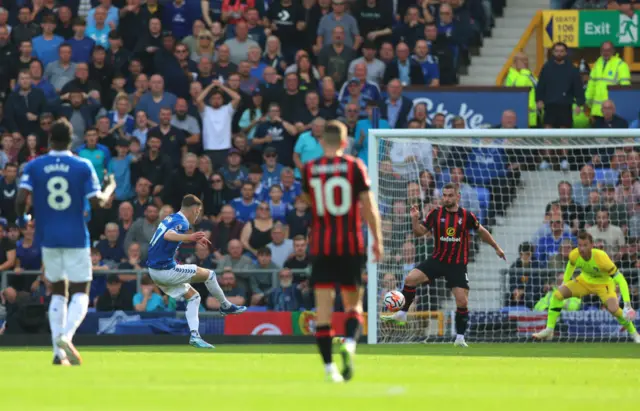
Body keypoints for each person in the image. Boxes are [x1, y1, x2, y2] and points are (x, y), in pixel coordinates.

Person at [15, 118, 114, 366]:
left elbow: (20, 198)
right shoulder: (82, 165)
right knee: (81, 290)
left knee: (58, 291)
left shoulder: (35, 165)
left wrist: (21, 219)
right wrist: (110, 187)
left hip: (48, 238)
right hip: (76, 237)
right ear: (72, 141)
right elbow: (97, 201)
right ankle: (66, 337)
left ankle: (58, 354)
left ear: (50, 140)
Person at [301, 120, 383, 383]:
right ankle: (349, 343)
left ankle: (329, 370)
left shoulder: (310, 169)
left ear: (321, 142)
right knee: (353, 306)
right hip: (350, 245)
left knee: (323, 311)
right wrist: (377, 240)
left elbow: (307, 201)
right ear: (345, 143)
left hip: (321, 246)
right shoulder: (354, 166)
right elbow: (369, 207)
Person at [383, 183, 506, 348]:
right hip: (438, 260)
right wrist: (414, 219)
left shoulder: (467, 216)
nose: (446, 198)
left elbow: (481, 231)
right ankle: (402, 313)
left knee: (462, 301)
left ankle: (460, 338)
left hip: (457, 265)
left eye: (450, 195)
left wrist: (497, 247)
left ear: (457, 197)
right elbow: (420, 232)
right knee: (410, 279)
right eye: (444, 195)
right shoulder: (436, 213)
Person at [146, 194, 246, 349]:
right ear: (193, 209)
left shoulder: (171, 218)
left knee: (194, 297)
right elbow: (168, 235)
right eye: (198, 211)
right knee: (210, 275)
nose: (198, 215)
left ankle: (195, 336)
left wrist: (191, 238)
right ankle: (225, 305)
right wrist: (191, 236)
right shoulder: (182, 223)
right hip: (165, 270)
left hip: (155, 271)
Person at [533, 232, 639, 343]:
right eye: (580, 245)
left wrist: (627, 304)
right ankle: (549, 329)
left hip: (604, 284)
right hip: (584, 282)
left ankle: (634, 333)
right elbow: (571, 265)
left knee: (614, 309)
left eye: (585, 245)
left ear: (591, 245)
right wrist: (565, 282)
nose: (582, 248)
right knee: (558, 294)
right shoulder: (574, 254)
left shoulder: (601, 258)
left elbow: (621, 280)